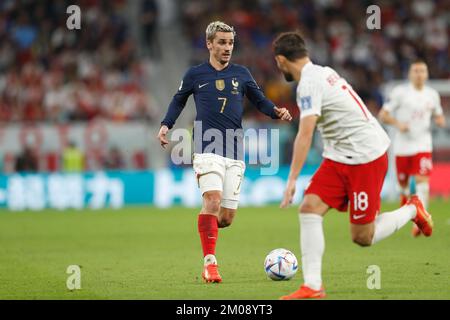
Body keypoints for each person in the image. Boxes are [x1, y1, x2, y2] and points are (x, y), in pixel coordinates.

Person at [273, 32, 433, 299]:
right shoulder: (323, 71)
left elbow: (305, 132)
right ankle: (313, 286)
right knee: (309, 208)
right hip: (338, 156)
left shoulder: (308, 84)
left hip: (365, 157)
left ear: (281, 60)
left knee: (362, 237)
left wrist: (291, 180)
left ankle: (411, 209)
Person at [157, 21, 292, 283]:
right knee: (213, 201)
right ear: (209, 44)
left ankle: (204, 225)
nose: (227, 47)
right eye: (221, 42)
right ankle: (210, 264)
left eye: (230, 43)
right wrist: (166, 125)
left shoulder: (242, 74)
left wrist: (275, 111)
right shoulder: (195, 74)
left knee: (226, 218)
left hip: (234, 149)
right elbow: (178, 100)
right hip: (206, 146)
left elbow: (259, 100)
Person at [379, 60, 446, 237]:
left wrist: (440, 121)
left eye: (422, 71)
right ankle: (406, 205)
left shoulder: (432, 95)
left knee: (422, 181)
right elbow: (383, 115)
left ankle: (421, 221)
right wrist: (398, 124)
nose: (419, 74)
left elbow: (439, 116)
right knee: (403, 187)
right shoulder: (400, 92)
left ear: (427, 74)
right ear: (410, 74)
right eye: (415, 71)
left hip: (423, 144)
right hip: (402, 146)